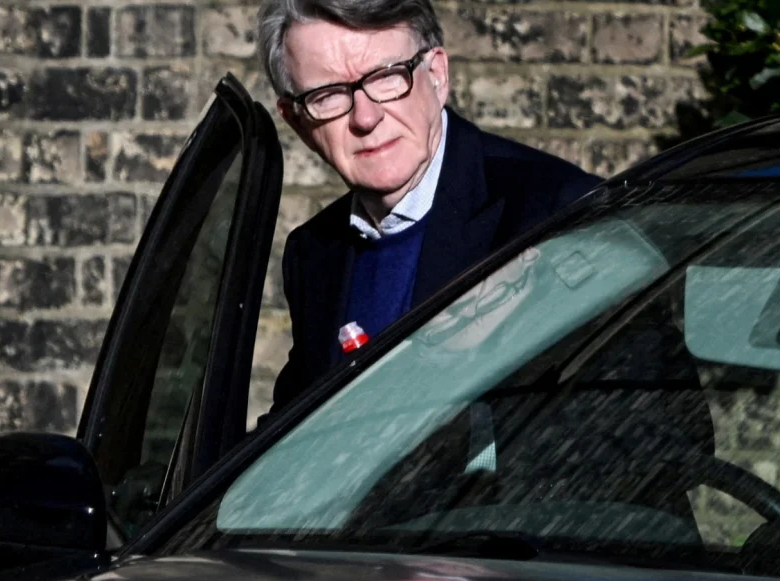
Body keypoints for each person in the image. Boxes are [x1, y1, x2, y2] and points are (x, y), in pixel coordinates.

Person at [258, 0, 602, 411]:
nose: (365, 118)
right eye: (329, 95)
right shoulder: (314, 254)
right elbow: (292, 441)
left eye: (386, 77)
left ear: (437, 75)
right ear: (297, 121)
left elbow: (655, 435)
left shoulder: (559, 212)